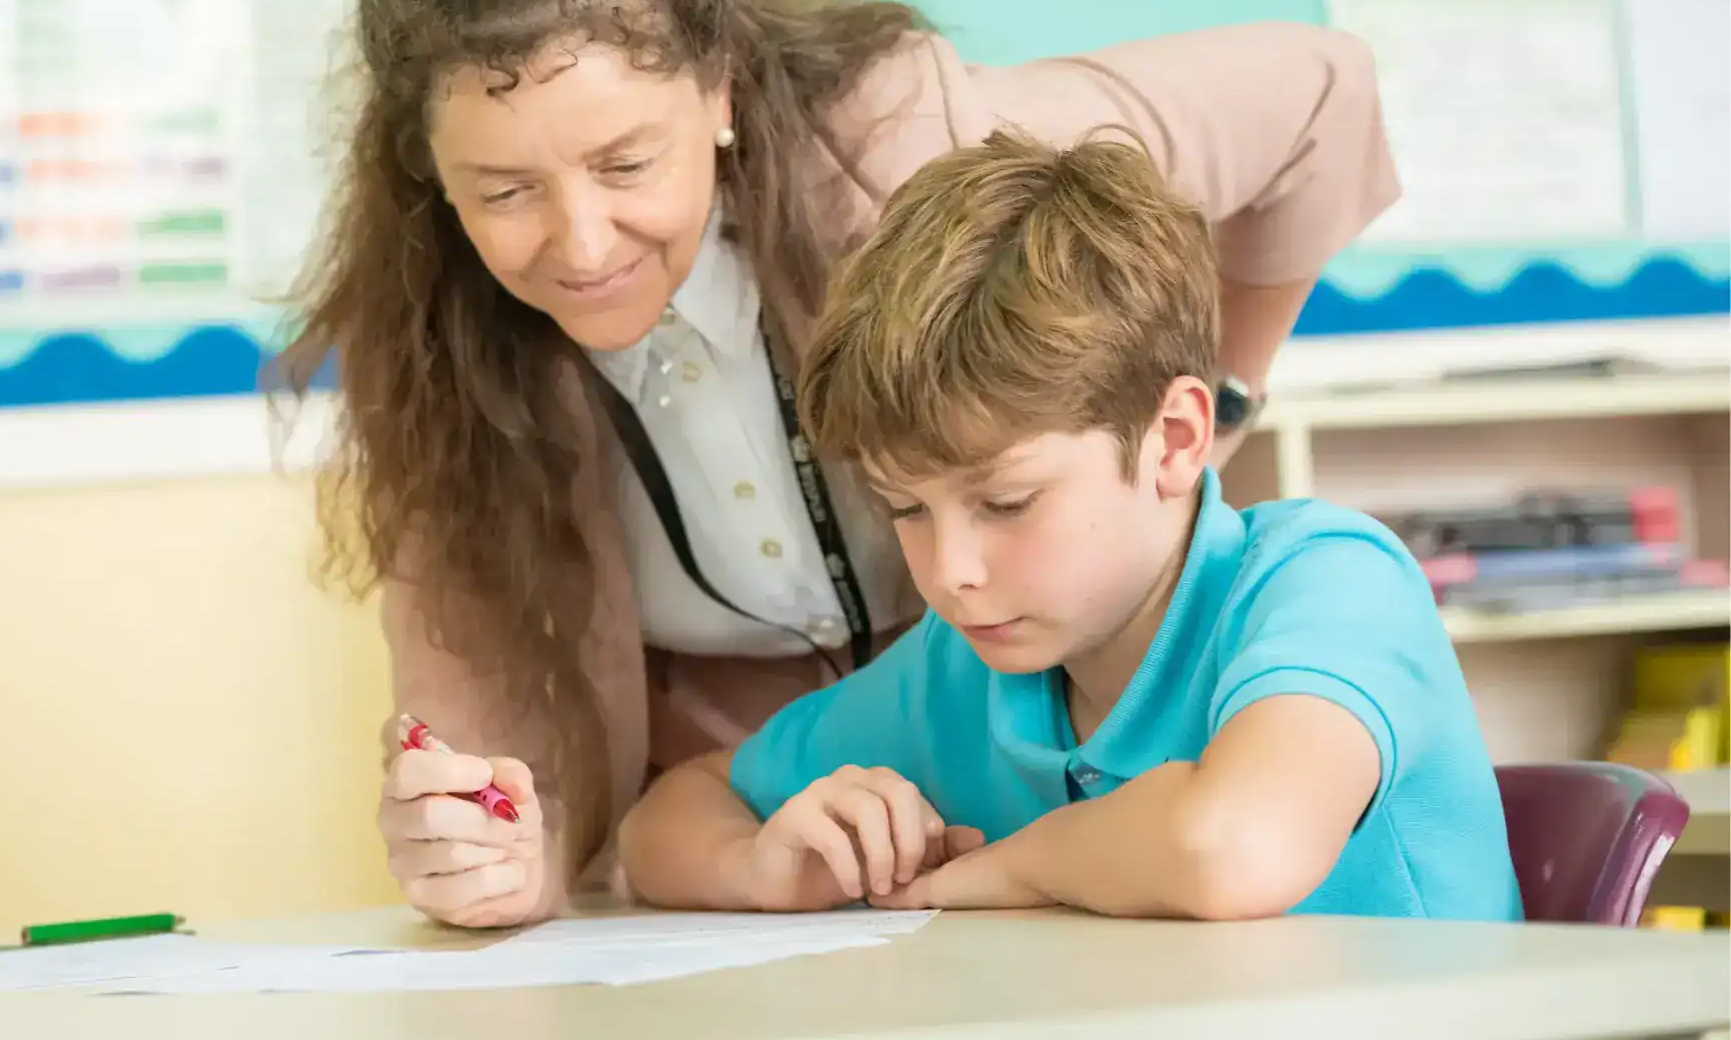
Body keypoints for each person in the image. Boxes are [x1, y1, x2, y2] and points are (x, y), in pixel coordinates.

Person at [279, 0, 1399, 928]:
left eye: (626, 162)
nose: (579, 244)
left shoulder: (913, 149)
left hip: (1053, 772)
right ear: (429, 168)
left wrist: (1221, 405)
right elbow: (518, 758)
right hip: (780, 813)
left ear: (720, 88)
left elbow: (1320, 96)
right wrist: (490, 848)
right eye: (503, 191)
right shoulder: (431, 341)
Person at [617, 131, 1520, 922]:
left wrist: (998, 870)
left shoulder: (1328, 581)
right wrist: (761, 868)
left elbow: (1231, 848)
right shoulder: (963, 669)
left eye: (1006, 503)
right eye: (906, 509)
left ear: (1173, 439)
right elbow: (672, 816)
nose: (952, 572)